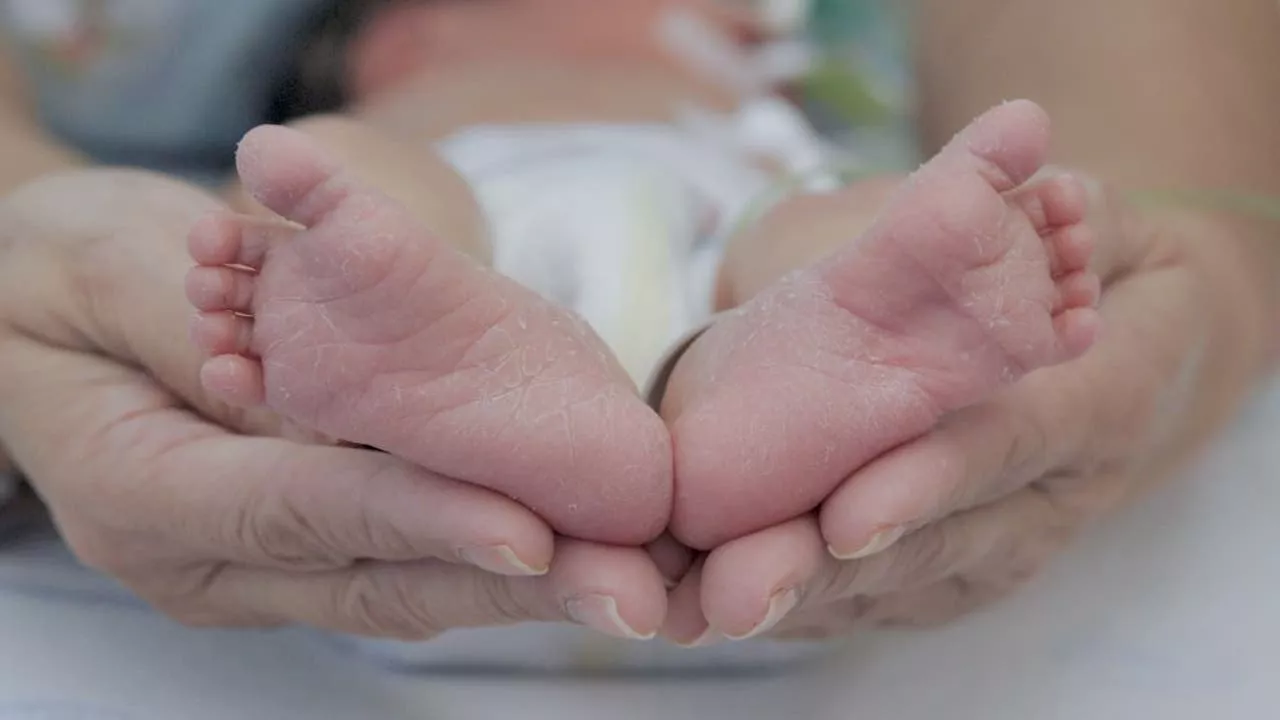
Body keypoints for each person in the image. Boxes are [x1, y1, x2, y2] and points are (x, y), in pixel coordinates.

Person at [0, 0, 1276, 666]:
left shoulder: (795, 101)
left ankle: (755, 394)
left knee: (846, 230)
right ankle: (450, 355)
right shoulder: (403, 92)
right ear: (394, 36)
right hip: (459, 245)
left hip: (724, 250)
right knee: (336, 192)